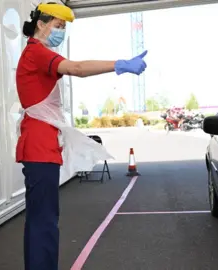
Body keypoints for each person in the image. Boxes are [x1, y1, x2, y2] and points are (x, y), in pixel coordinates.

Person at [15, 3, 148, 270]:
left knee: (42, 220)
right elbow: (76, 68)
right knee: (44, 222)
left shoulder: (37, 53)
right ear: (41, 24)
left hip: (41, 146)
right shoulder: (37, 52)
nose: (61, 32)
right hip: (39, 148)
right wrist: (118, 65)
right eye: (58, 26)